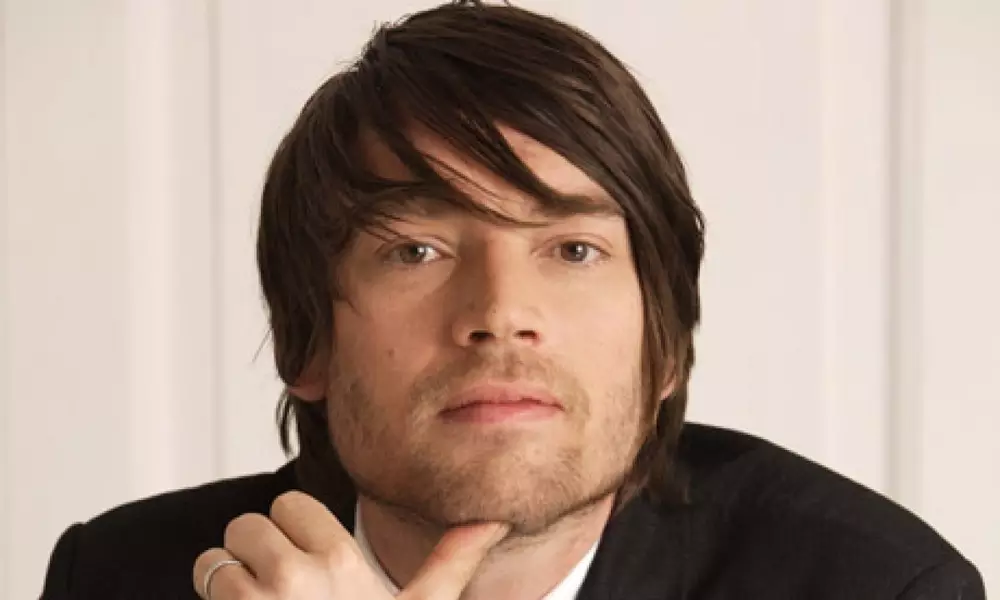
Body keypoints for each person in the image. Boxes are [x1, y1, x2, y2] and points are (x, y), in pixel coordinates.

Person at [41, 1, 984, 599]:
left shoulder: (874, 585)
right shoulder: (122, 578)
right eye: (415, 250)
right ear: (306, 341)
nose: (500, 312)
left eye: (573, 250)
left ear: (665, 348)